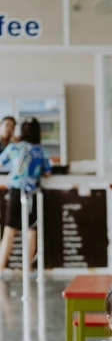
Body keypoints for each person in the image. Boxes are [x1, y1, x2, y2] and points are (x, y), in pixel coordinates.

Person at [0, 117, 51, 276]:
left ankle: (0, 267)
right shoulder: (41, 151)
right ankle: (27, 268)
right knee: (31, 231)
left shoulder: (13, 148)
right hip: (33, 193)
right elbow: (48, 172)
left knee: (9, 231)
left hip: (15, 191)